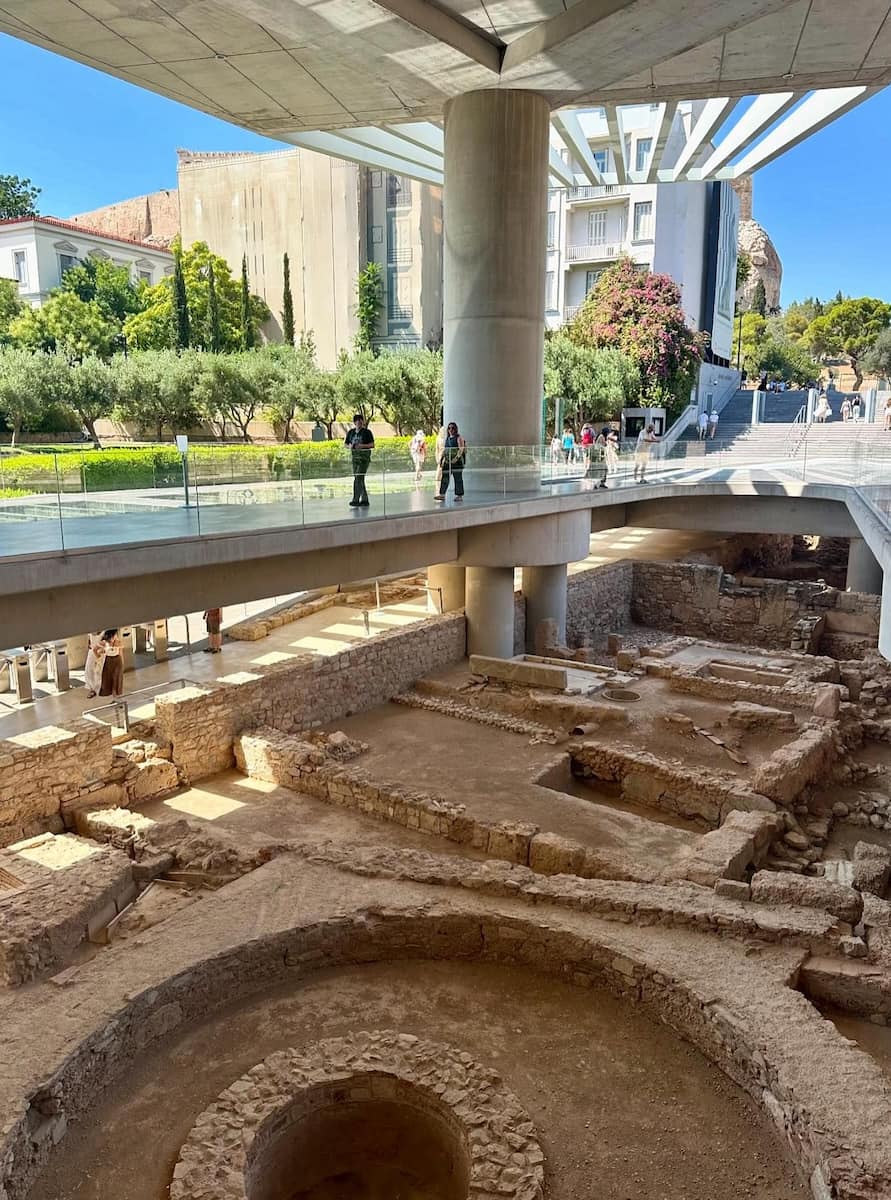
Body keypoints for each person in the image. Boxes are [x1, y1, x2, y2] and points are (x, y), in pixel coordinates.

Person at [345, 413, 374, 508]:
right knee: (359, 478)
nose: (359, 422)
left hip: (364, 458)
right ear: (354, 422)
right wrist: (350, 446)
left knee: (358, 477)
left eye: (360, 420)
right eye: (357, 421)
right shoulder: (351, 432)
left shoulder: (367, 432)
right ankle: (365, 499)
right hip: (355, 458)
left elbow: (372, 444)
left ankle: (355, 499)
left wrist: (361, 446)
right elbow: (345, 444)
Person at [434, 421, 466, 502]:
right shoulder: (447, 438)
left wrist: (456, 458)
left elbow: (461, 449)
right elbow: (445, 450)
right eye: (449, 428)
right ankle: (442, 494)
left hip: (457, 462)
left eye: (452, 428)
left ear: (455, 429)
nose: (450, 430)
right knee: (445, 477)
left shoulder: (459, 438)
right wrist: (441, 460)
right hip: (448, 461)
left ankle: (459, 495)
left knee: (458, 478)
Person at [98, 629, 124, 697]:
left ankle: (116, 696)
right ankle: (113, 695)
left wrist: (122, 664)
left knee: (116, 679)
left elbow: (121, 653)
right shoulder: (104, 642)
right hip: (108, 661)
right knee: (108, 679)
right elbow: (96, 650)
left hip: (117, 660)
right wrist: (100, 654)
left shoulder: (118, 642)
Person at [83, 631, 104, 698]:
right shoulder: (90, 631)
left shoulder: (104, 632)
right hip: (92, 652)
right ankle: (92, 689)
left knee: (100, 670)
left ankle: (100, 688)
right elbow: (89, 642)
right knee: (89, 670)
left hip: (100, 652)